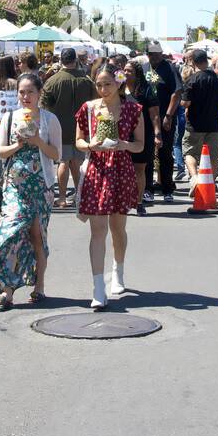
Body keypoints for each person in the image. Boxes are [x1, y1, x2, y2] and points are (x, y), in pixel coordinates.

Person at [0, 72, 62, 310]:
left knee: (36, 237)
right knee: (8, 234)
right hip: (14, 187)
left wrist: (39, 142)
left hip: (40, 186)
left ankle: (39, 286)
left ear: (39, 93)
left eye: (30, 91)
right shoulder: (10, 118)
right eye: (22, 92)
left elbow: (57, 155)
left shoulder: (49, 119)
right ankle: (6, 290)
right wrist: (19, 144)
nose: (26, 96)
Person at [76, 64, 145, 308]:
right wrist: (91, 145)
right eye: (99, 84)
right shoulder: (88, 108)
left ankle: (118, 270)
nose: (103, 89)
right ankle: (98, 288)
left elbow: (140, 145)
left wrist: (123, 144)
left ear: (119, 82)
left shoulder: (132, 109)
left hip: (120, 170)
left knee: (118, 228)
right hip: (97, 169)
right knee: (97, 231)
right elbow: (78, 141)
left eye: (107, 83)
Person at [40, 48, 95, 209]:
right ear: (75, 60)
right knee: (77, 163)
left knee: (63, 162)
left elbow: (44, 106)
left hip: (59, 128)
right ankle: (80, 197)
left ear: (61, 60)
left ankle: (62, 197)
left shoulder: (52, 81)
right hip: (82, 129)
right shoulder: (86, 81)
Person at [137, 41, 181, 203]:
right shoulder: (143, 68)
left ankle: (167, 188)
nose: (153, 57)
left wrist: (168, 115)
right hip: (147, 118)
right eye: (150, 54)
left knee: (165, 153)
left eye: (156, 53)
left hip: (164, 118)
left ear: (161, 53)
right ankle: (147, 188)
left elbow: (176, 93)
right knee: (147, 153)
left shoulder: (170, 68)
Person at [179, 49, 218, 195]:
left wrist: (184, 104)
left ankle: (195, 179)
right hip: (213, 123)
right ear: (206, 60)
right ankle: (210, 183)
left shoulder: (192, 80)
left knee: (189, 152)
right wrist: (217, 114)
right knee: (212, 155)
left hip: (194, 124)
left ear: (193, 62)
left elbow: (185, 103)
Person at [123, 61, 161, 216]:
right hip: (122, 135)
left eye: (129, 71)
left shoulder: (146, 90)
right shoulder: (118, 89)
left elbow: (155, 114)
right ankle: (124, 201)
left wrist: (157, 133)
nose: (126, 73)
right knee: (124, 170)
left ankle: (139, 203)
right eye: (124, 70)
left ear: (137, 74)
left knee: (140, 169)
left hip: (143, 135)